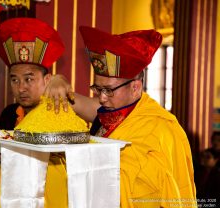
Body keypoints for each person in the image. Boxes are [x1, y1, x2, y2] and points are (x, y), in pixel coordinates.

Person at [44, 26, 197, 207]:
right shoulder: (109, 112)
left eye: (108, 90)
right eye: (98, 89)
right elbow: (71, 100)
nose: (101, 98)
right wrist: (56, 80)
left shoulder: (160, 128)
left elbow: (158, 193)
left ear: (135, 87)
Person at [0, 17, 65, 208]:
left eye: (29, 79)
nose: (21, 88)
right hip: (11, 197)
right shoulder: (10, 113)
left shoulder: (59, 112)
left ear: (47, 79)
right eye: (15, 80)